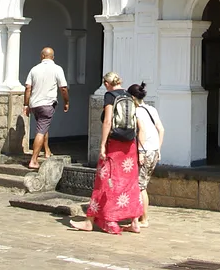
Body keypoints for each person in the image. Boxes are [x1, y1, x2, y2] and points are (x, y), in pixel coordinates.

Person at [70, 72, 143, 234]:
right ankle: (135, 222)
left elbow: (108, 121)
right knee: (130, 182)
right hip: (130, 144)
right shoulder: (129, 95)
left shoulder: (110, 96)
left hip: (115, 144)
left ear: (106, 83)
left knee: (104, 180)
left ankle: (100, 221)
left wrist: (102, 145)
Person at [22, 47, 69, 169]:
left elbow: (28, 88)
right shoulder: (57, 69)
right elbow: (63, 88)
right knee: (41, 130)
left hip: (35, 104)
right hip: (47, 104)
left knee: (42, 126)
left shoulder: (34, 69)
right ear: (52, 57)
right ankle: (33, 160)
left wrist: (26, 105)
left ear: (42, 56)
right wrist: (66, 102)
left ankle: (47, 151)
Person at [128, 82, 164, 227]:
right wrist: (158, 148)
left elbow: (141, 130)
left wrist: (141, 152)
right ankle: (141, 218)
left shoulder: (136, 112)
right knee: (143, 185)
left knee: (140, 186)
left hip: (145, 150)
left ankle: (143, 218)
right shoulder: (151, 109)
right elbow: (161, 129)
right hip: (154, 150)